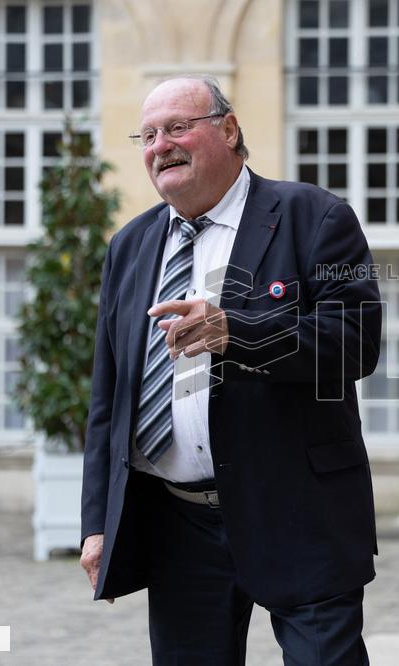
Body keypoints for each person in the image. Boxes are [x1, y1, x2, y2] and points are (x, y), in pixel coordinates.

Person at [78, 75, 381, 664]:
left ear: (229, 129)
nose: (159, 145)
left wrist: (234, 333)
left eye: (177, 127)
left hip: (298, 511)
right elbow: (107, 396)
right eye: (148, 134)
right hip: (178, 526)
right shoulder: (131, 245)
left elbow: (355, 344)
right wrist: (97, 520)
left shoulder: (315, 216)